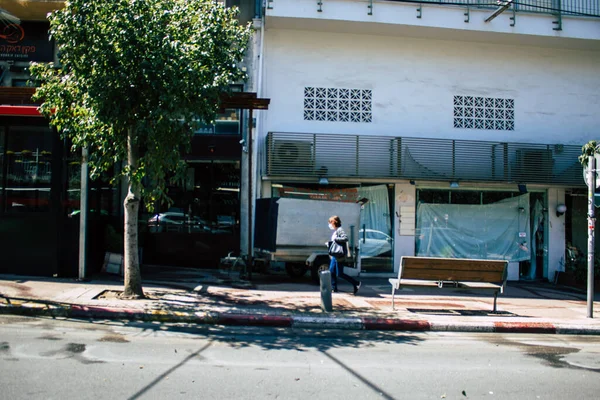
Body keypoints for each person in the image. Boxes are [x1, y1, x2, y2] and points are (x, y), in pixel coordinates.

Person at [326, 215, 361, 295]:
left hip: (339, 255)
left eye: (330, 223)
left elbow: (345, 238)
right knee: (332, 271)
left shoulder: (340, 230)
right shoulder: (336, 231)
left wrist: (335, 239)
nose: (329, 225)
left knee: (339, 273)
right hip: (336, 255)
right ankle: (334, 288)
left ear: (334, 222)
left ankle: (356, 283)